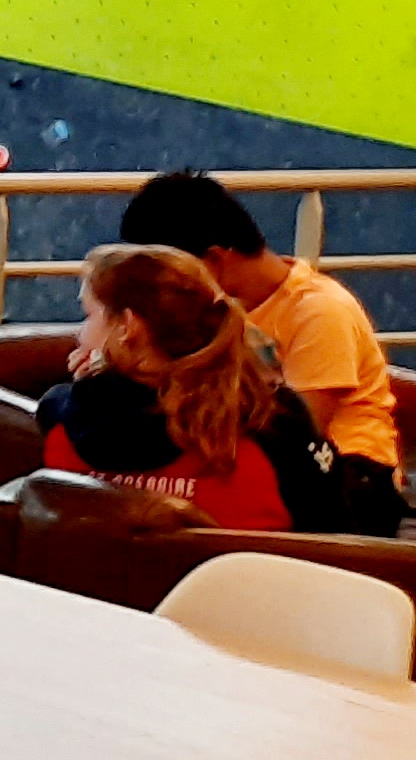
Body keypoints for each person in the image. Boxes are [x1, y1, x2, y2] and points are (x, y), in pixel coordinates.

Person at [119, 170, 410, 532]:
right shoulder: (213, 311)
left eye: (165, 277)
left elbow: (298, 435)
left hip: (348, 478)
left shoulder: (320, 312)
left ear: (213, 261)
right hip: (263, 459)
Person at [38, 245, 346, 533]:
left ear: (127, 326)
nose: (81, 333)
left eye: (89, 315)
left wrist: (91, 382)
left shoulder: (62, 418)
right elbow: (334, 532)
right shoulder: (275, 422)